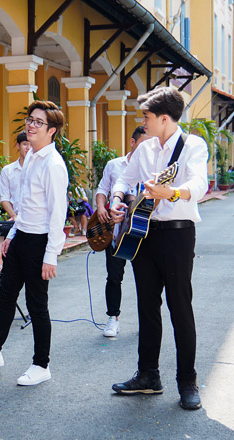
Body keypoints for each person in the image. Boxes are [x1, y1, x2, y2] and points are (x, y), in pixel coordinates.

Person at [110, 87, 208, 410]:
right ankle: (148, 375)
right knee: (147, 306)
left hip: (178, 235)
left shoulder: (193, 146)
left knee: (180, 307)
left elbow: (199, 184)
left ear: (164, 118)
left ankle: (187, 380)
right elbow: (124, 179)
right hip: (144, 234)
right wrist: (117, 200)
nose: (143, 121)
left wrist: (172, 193)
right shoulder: (145, 148)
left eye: (147, 116)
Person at [0, 101, 69, 386]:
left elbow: (58, 213)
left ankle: (41, 365)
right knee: (6, 296)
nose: (31, 125)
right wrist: (11, 235)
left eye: (38, 122)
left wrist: (51, 255)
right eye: (30, 120)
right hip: (22, 236)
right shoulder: (31, 156)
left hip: (39, 242)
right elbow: (23, 206)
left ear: (52, 130)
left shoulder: (53, 164)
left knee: (37, 305)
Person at [95, 126, 150, 337]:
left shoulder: (152, 169)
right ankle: (112, 318)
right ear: (132, 142)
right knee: (114, 277)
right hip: (116, 232)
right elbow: (102, 189)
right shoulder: (114, 165)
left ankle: (147, 322)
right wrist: (101, 208)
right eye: (143, 144)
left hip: (142, 232)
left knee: (146, 279)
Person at [0, 132, 31, 220]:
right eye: (25, 144)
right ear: (18, 146)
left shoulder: (40, 169)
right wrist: (14, 216)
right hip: (16, 218)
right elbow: (4, 198)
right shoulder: (7, 170)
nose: (28, 148)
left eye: (31, 145)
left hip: (36, 220)